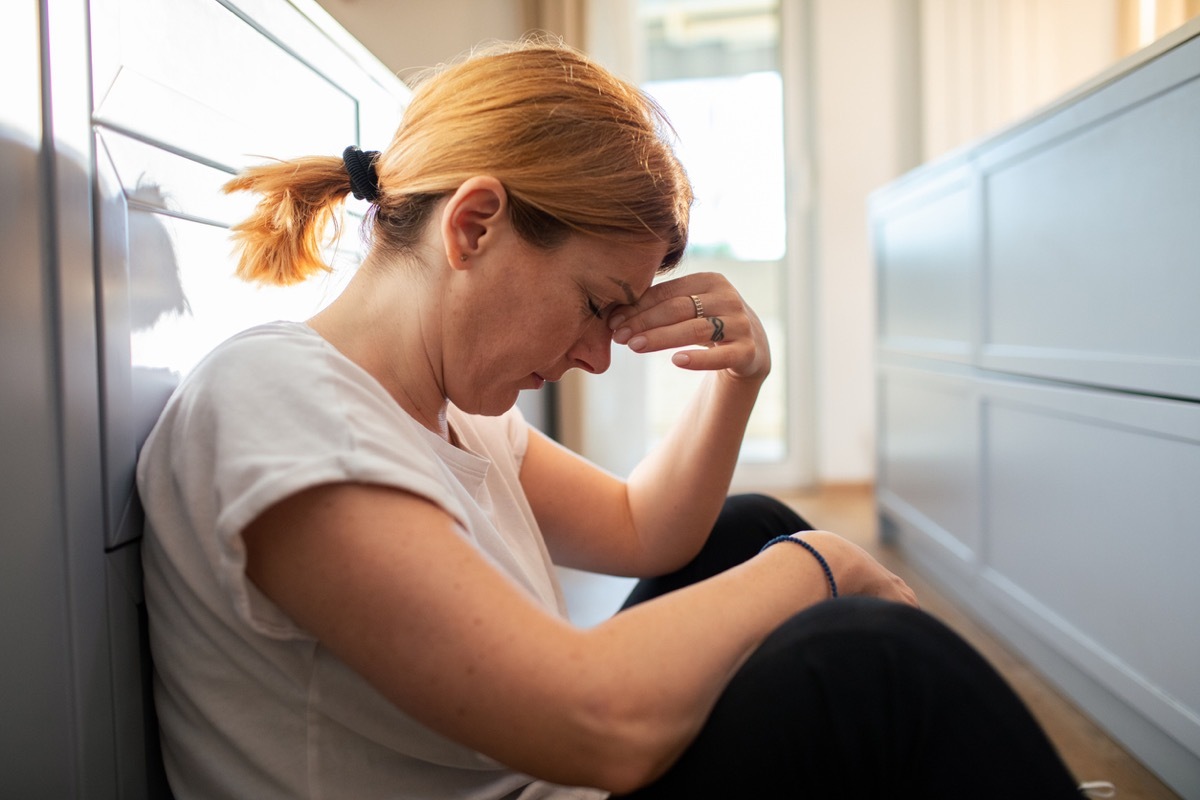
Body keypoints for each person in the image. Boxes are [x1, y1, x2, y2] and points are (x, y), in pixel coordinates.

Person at [137, 38, 1097, 799]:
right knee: (868, 661)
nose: (599, 354)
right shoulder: (283, 404)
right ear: (473, 225)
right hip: (563, 764)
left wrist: (740, 378)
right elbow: (597, 723)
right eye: (598, 303)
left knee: (747, 530)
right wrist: (828, 565)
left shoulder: (447, 413)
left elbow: (651, 532)